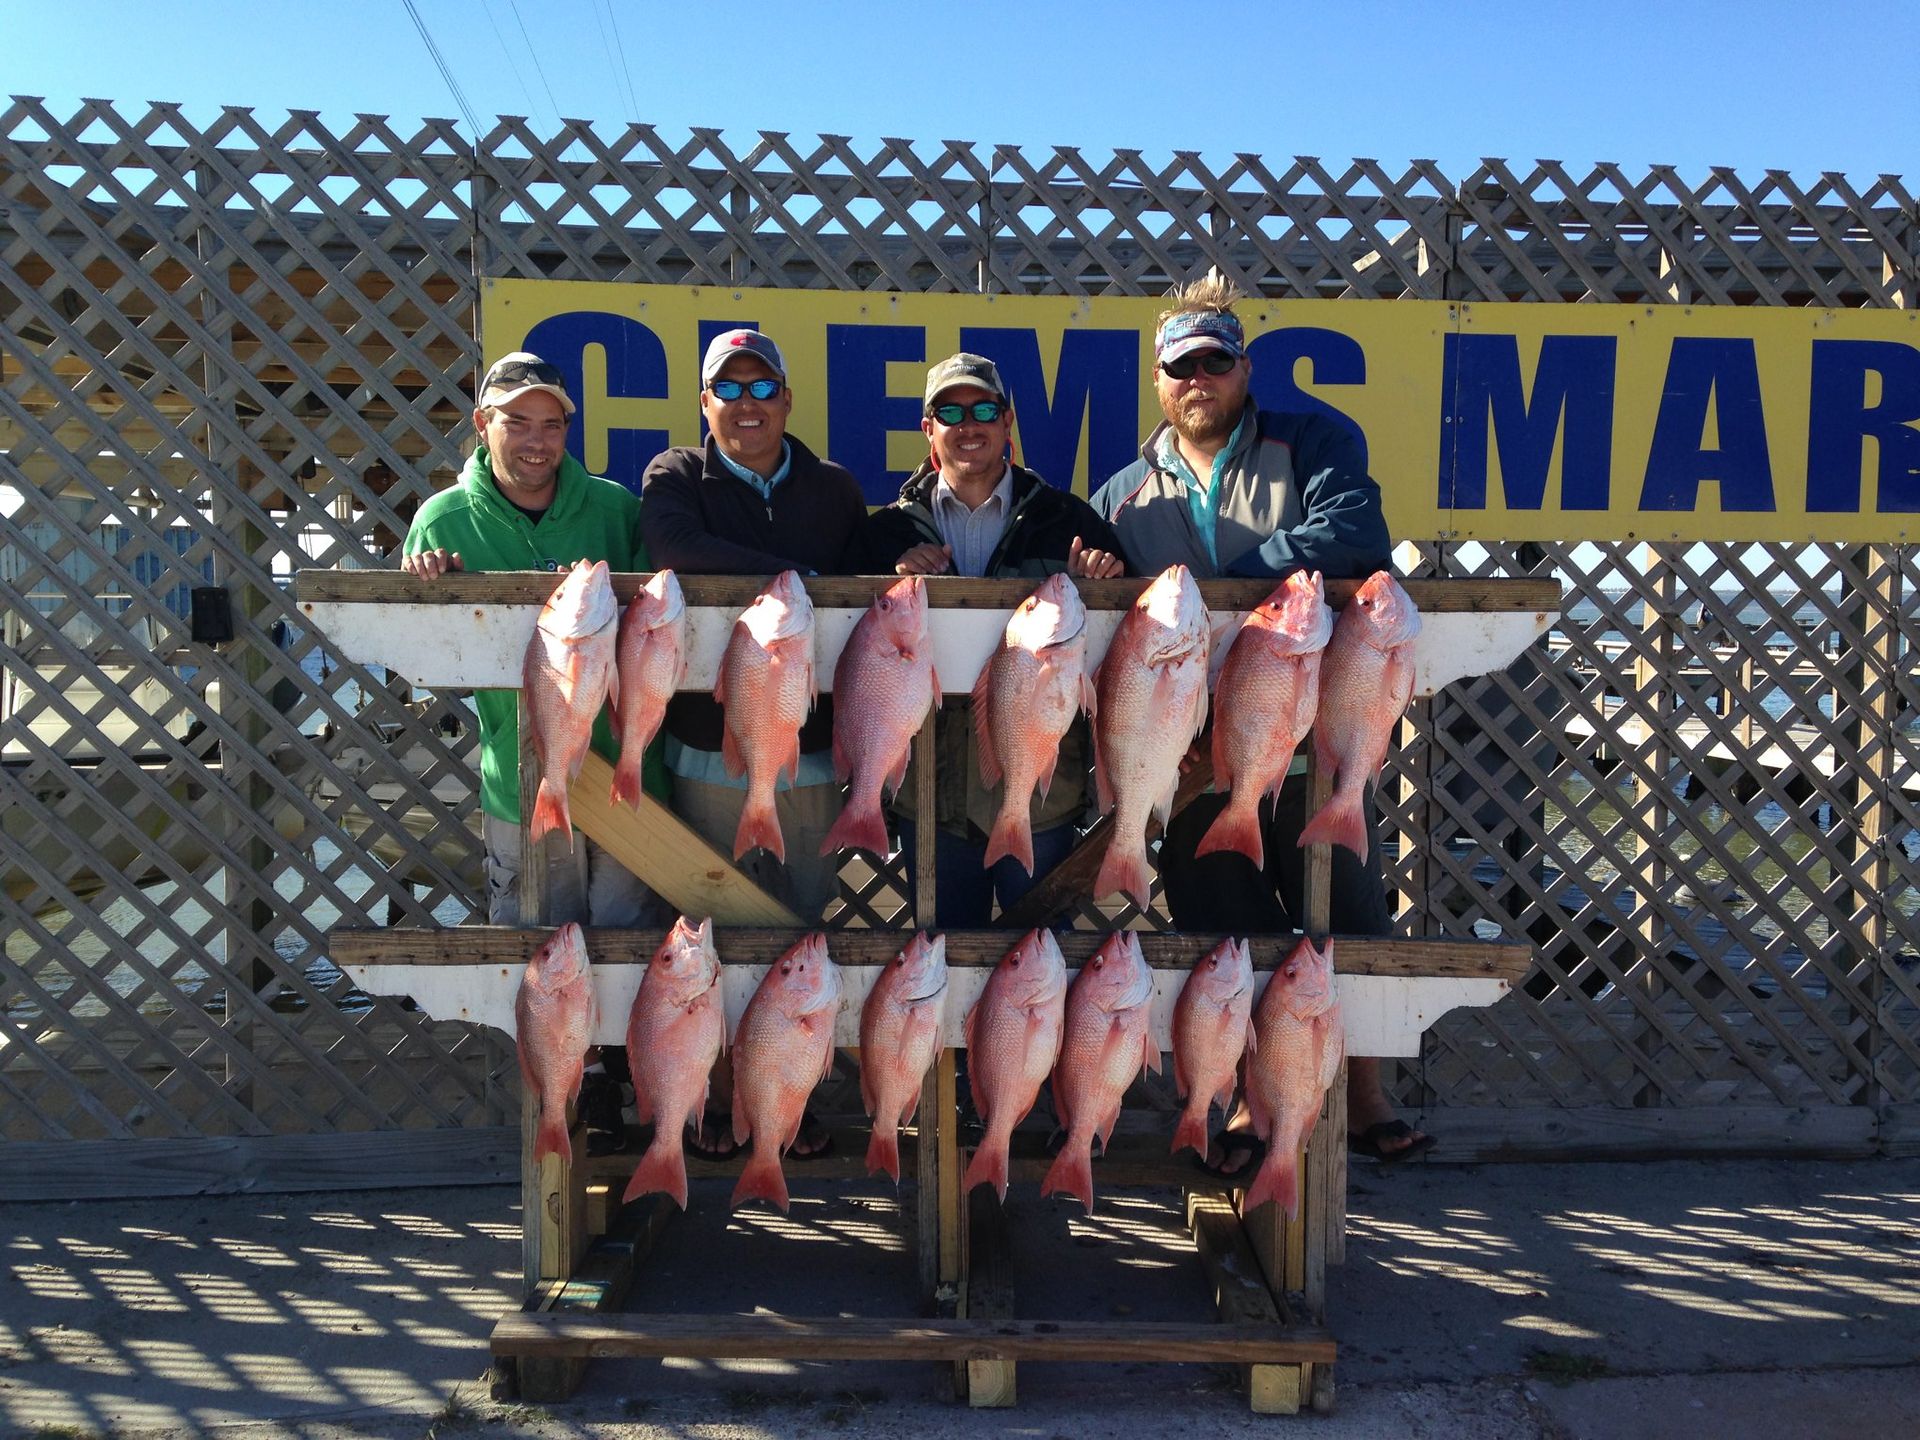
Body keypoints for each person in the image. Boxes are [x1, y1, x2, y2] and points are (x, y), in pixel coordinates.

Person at [1090, 276, 1435, 1169]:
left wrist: (1244, 590)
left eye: (1215, 361)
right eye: (1181, 367)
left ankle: (1363, 1095)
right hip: (1193, 751)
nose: (1198, 378)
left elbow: (1358, 528)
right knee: (1223, 926)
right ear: (1159, 383)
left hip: (1313, 740)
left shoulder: (1315, 438)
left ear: (1244, 368)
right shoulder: (1122, 492)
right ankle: (1248, 1099)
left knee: (1347, 916)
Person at [401, 350, 669, 1152]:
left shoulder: (616, 509)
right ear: (484, 425)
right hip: (519, 786)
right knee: (540, 950)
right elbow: (417, 654)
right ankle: (558, 1101)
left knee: (626, 936)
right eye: (518, 422)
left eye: (552, 424)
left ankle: (624, 1093)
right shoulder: (443, 518)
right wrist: (429, 588)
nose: (537, 439)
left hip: (627, 779)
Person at [641, 328, 867, 1160]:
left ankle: (788, 1102)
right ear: (705, 404)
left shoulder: (836, 490)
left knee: (798, 937)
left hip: (807, 759)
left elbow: (868, 572)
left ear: (787, 400)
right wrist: (789, 582)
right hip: (706, 755)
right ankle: (709, 1099)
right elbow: (676, 549)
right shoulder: (677, 476)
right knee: (705, 940)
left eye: (761, 388)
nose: (745, 405)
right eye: (727, 390)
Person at [858, 353, 1125, 924]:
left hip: (1041, 797)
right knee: (942, 972)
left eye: (984, 408)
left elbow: (1129, 645)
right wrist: (891, 576)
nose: (968, 424)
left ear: (1008, 422)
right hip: (931, 794)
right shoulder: (884, 536)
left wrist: (1104, 579)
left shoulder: (1069, 521)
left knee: (1040, 970)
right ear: (928, 428)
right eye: (949, 411)